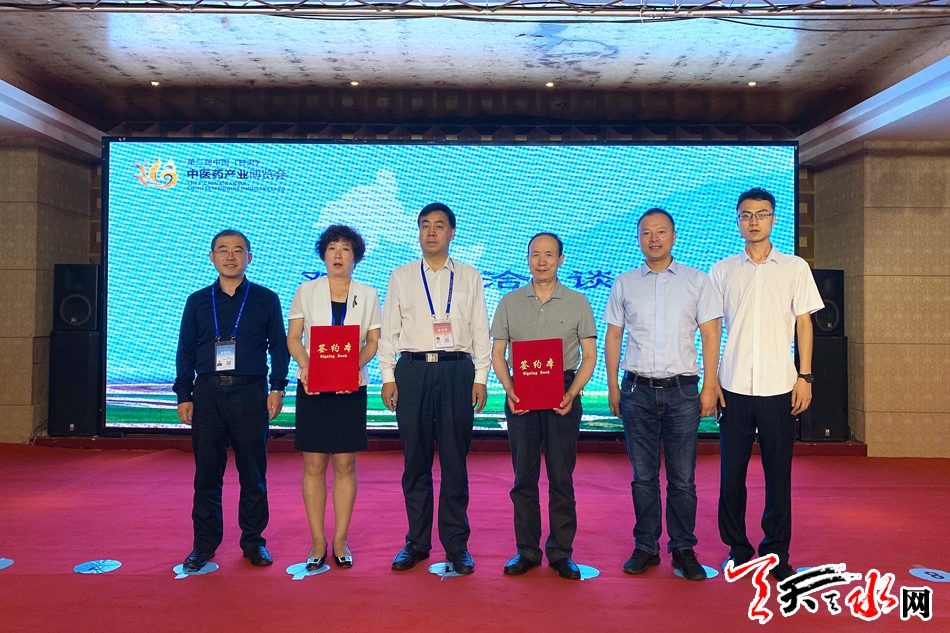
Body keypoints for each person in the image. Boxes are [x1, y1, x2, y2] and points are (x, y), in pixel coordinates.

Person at [604, 209, 723, 581]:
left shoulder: (697, 280)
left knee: (683, 478)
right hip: (636, 389)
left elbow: (711, 334)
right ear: (638, 239)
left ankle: (683, 548)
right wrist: (612, 385)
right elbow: (613, 335)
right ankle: (645, 547)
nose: (653, 239)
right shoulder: (625, 282)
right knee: (643, 477)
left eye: (660, 232)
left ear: (673, 236)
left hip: (683, 391)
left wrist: (710, 386)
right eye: (646, 233)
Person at [710, 188, 823, 581]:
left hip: (779, 386)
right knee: (731, 475)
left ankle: (776, 551)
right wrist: (712, 380)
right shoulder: (723, 270)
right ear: (737, 221)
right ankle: (738, 550)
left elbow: (804, 323)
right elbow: (711, 328)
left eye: (761, 214)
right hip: (733, 386)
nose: (754, 221)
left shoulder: (794, 267)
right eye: (746, 215)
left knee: (778, 474)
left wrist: (805, 376)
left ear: (774, 219)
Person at [378, 202, 490, 575]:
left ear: (451, 233)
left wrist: (480, 377)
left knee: (455, 461)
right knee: (416, 461)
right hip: (412, 372)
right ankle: (417, 542)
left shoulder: (470, 276)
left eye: (439, 226)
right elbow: (389, 330)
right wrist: (388, 376)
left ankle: (456, 545)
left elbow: (479, 329)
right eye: (425, 225)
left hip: (457, 371)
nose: (431, 232)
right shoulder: (401, 276)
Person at [174, 229, 289, 571]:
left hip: (250, 393)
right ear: (212, 257)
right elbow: (186, 350)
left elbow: (278, 348)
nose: (230, 256)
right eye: (223, 250)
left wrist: (277, 388)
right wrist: (184, 394)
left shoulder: (266, 299)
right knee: (207, 476)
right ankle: (203, 545)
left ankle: (253, 541)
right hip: (207, 394)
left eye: (238, 250)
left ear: (249, 258)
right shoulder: (197, 301)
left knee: (253, 474)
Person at [490, 233, 597, 580]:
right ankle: (527, 551)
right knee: (523, 477)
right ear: (527, 259)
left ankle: (561, 552)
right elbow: (498, 353)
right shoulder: (509, 301)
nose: (542, 261)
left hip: (563, 393)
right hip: (521, 394)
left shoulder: (578, 301)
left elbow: (589, 355)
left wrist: (573, 393)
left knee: (561, 477)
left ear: (560, 260)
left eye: (549, 255)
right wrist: (509, 389)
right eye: (535, 254)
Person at [287, 225, 381, 570]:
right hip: (313, 385)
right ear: (323, 254)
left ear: (356, 257)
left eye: (345, 249)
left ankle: (340, 538)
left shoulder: (368, 294)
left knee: (344, 464)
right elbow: (294, 337)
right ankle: (317, 540)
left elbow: (373, 341)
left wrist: (350, 367)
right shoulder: (306, 291)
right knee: (313, 464)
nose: (338, 255)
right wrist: (307, 365)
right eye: (332, 248)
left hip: (351, 386)